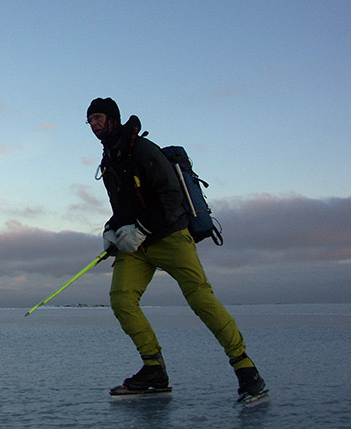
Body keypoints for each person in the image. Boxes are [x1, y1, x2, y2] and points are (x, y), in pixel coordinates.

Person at [86, 97, 266, 399]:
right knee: (121, 300)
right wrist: (111, 230)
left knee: (201, 300)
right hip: (138, 246)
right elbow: (122, 206)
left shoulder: (142, 149)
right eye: (90, 121)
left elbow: (169, 195)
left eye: (99, 118)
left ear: (113, 118)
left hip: (171, 236)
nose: (94, 125)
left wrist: (141, 229)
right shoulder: (110, 159)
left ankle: (246, 369)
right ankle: (154, 368)